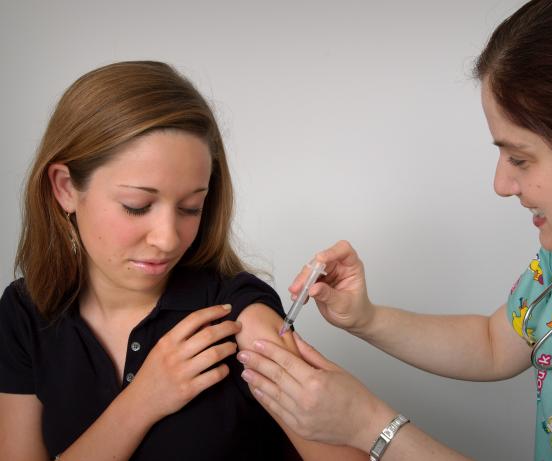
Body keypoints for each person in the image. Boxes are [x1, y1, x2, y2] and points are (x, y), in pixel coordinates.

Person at [235, 1, 552, 460]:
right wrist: (366, 318)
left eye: (520, 158)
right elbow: (494, 343)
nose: (501, 185)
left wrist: (368, 426)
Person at [0, 61, 365, 461]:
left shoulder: (238, 316)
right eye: (137, 207)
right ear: (66, 188)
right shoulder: (24, 313)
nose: (168, 238)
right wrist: (141, 402)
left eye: (191, 208)